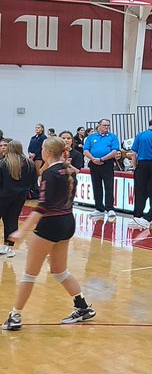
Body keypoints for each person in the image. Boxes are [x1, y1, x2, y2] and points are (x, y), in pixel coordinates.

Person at [2, 137, 96, 332]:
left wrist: (22, 230)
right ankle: (82, 307)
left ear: (47, 152)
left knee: (29, 274)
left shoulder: (50, 173)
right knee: (59, 271)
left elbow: (42, 206)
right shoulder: (70, 170)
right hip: (67, 222)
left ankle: (15, 316)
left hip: (50, 225)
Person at [0, 140, 36, 257]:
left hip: (3, 196)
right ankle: (9, 247)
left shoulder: (3, 163)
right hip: (20, 197)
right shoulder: (30, 164)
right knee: (12, 220)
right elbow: (33, 181)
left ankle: (7, 247)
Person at [82, 119, 120, 220]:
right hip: (94, 163)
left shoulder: (112, 137)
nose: (106, 127)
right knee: (96, 185)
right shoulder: (91, 137)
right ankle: (99, 208)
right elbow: (85, 150)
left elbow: (114, 151)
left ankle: (110, 208)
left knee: (109, 185)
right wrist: (93, 159)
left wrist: (102, 159)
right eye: (104, 125)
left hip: (107, 163)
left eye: (108, 125)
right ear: (99, 126)